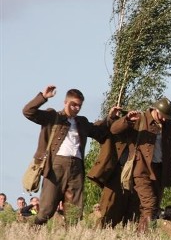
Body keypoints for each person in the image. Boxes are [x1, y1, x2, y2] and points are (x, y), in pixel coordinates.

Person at [23, 85, 111, 225]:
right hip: (55, 165)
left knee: (74, 209)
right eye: (74, 104)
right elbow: (28, 111)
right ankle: (33, 232)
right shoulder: (53, 116)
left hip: (77, 167)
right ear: (65, 102)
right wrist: (43, 97)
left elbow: (99, 132)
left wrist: (111, 117)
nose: (76, 108)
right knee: (47, 208)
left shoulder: (82, 122)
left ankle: (70, 239)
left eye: (79, 105)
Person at [110, 97, 171, 232]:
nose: (164, 119)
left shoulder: (170, 125)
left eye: (167, 116)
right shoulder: (140, 119)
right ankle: (143, 235)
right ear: (155, 110)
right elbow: (114, 130)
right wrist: (125, 120)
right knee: (150, 204)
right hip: (141, 170)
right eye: (162, 115)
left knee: (152, 208)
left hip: (160, 171)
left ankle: (139, 234)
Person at [87, 106, 139, 228]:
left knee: (131, 211)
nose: (132, 119)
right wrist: (111, 117)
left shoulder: (137, 133)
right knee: (108, 208)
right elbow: (97, 129)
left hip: (132, 175)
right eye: (128, 117)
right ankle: (100, 234)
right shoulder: (112, 128)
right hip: (114, 174)